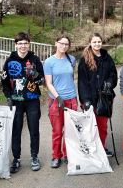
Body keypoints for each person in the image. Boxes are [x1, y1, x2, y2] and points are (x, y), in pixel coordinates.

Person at [1, 32, 44, 173]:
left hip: (32, 100)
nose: (23, 46)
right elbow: (4, 81)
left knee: (34, 129)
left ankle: (34, 157)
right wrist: (8, 97)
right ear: (16, 45)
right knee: (16, 130)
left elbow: (42, 80)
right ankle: (17, 159)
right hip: (16, 101)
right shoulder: (9, 61)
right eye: (20, 43)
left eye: (25, 43)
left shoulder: (35, 59)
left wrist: (35, 75)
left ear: (29, 44)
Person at [77, 33, 117, 157]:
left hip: (104, 98)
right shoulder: (85, 59)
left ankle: (102, 146)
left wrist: (109, 83)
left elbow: (113, 74)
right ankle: (91, 148)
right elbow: (82, 82)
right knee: (90, 126)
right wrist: (85, 100)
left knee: (102, 125)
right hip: (90, 98)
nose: (97, 44)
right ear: (90, 43)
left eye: (99, 41)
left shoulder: (107, 57)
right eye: (94, 42)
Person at [43, 35, 78, 168]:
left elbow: (69, 78)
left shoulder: (72, 59)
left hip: (72, 99)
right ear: (56, 43)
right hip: (56, 100)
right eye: (61, 43)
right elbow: (48, 83)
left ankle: (68, 154)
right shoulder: (49, 62)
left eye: (66, 44)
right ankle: (56, 156)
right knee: (57, 131)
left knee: (70, 130)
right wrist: (58, 97)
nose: (64, 46)